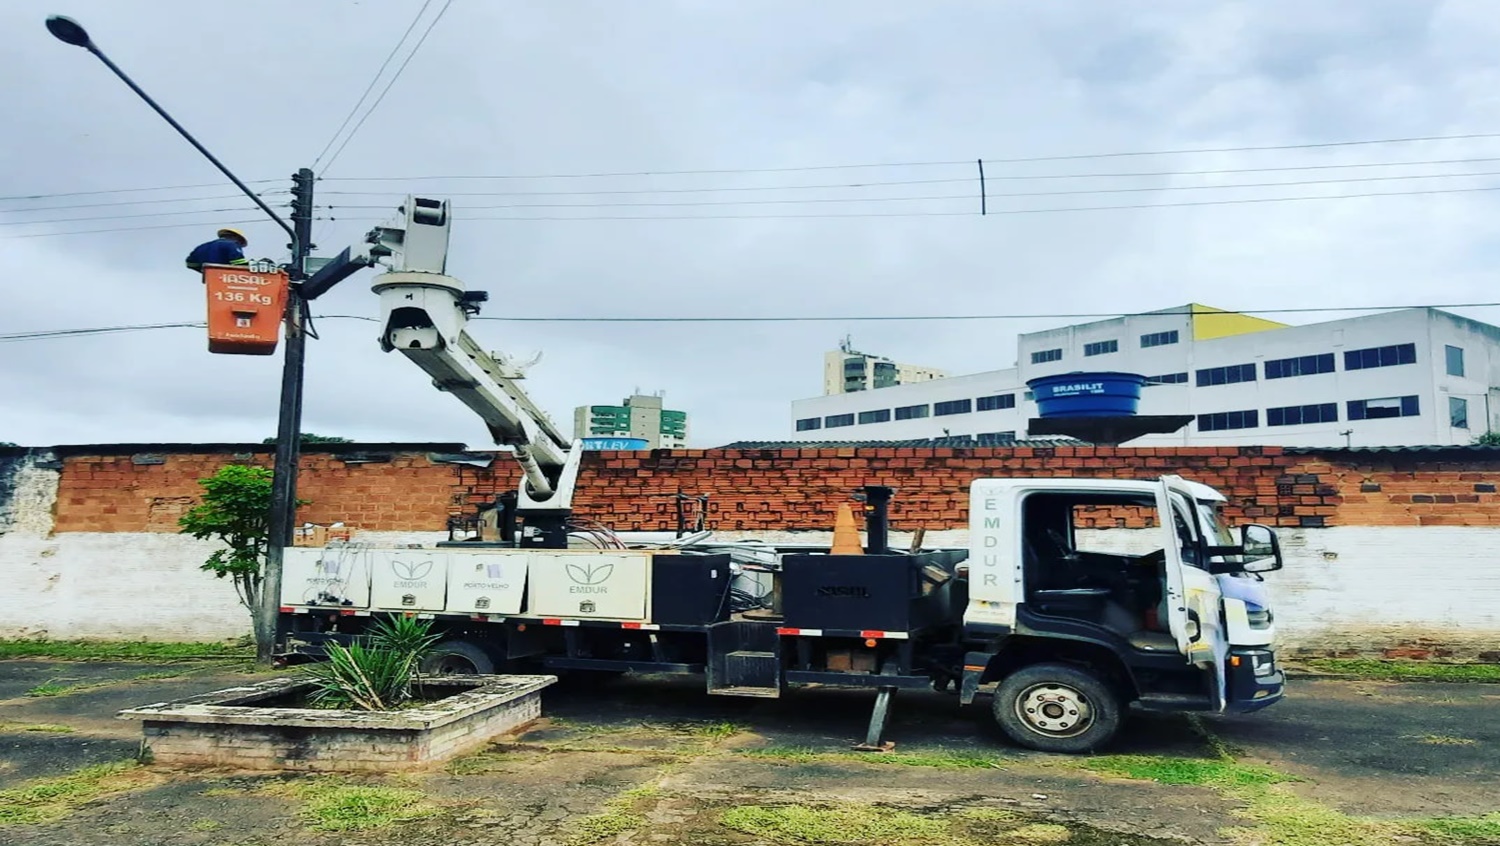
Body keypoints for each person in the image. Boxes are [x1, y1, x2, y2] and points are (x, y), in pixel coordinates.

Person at [185, 227, 249, 273]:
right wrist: (253, 265)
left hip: (211, 280)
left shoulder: (201, 247)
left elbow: (190, 264)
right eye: (240, 242)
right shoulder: (232, 244)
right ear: (236, 238)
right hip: (227, 278)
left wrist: (205, 271)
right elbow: (238, 262)